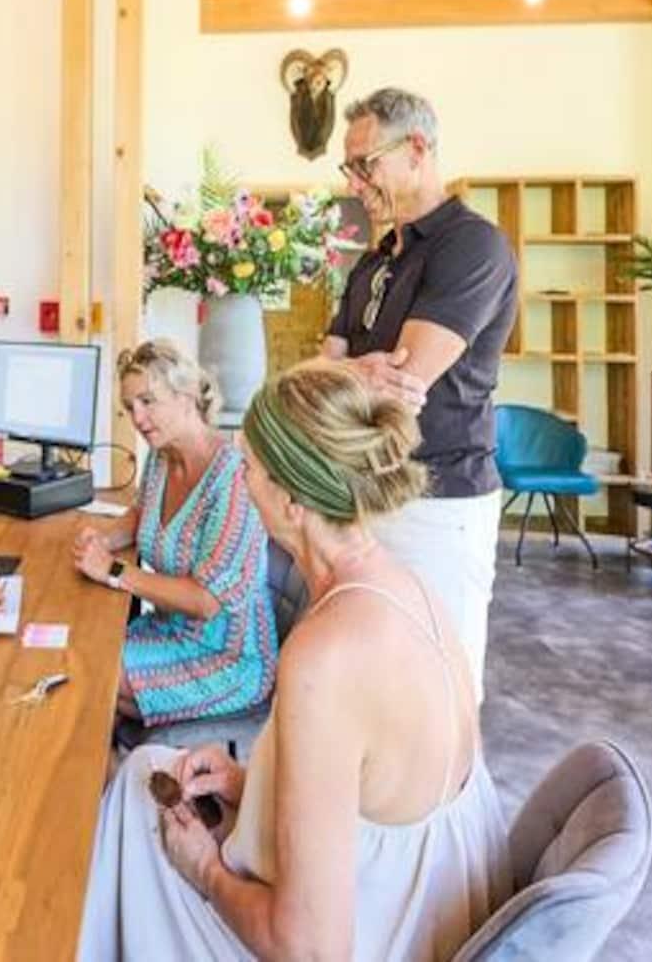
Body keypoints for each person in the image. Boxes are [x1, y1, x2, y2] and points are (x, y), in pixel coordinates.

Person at [79, 360, 509, 961]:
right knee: (149, 769)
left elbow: (309, 949)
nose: (238, 480)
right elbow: (375, 800)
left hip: (381, 936)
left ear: (291, 500)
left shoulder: (324, 659)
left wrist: (205, 869)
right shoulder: (411, 588)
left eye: (248, 468)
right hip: (418, 901)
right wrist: (249, 785)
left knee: (133, 797)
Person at [322, 87, 516, 699]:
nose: (355, 182)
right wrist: (352, 374)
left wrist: (343, 375)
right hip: (367, 493)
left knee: (437, 689)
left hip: (439, 501)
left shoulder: (473, 246)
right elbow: (321, 374)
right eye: (349, 168)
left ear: (416, 149)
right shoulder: (374, 261)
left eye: (364, 164)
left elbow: (403, 385)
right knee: (372, 685)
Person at [72, 341, 276, 728]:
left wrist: (113, 570)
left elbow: (206, 601)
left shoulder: (234, 477)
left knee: (87, 671)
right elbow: (140, 515)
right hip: (168, 629)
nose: (138, 417)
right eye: (130, 407)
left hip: (226, 656)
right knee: (79, 651)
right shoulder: (161, 456)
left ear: (186, 396)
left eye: (148, 401)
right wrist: (103, 540)